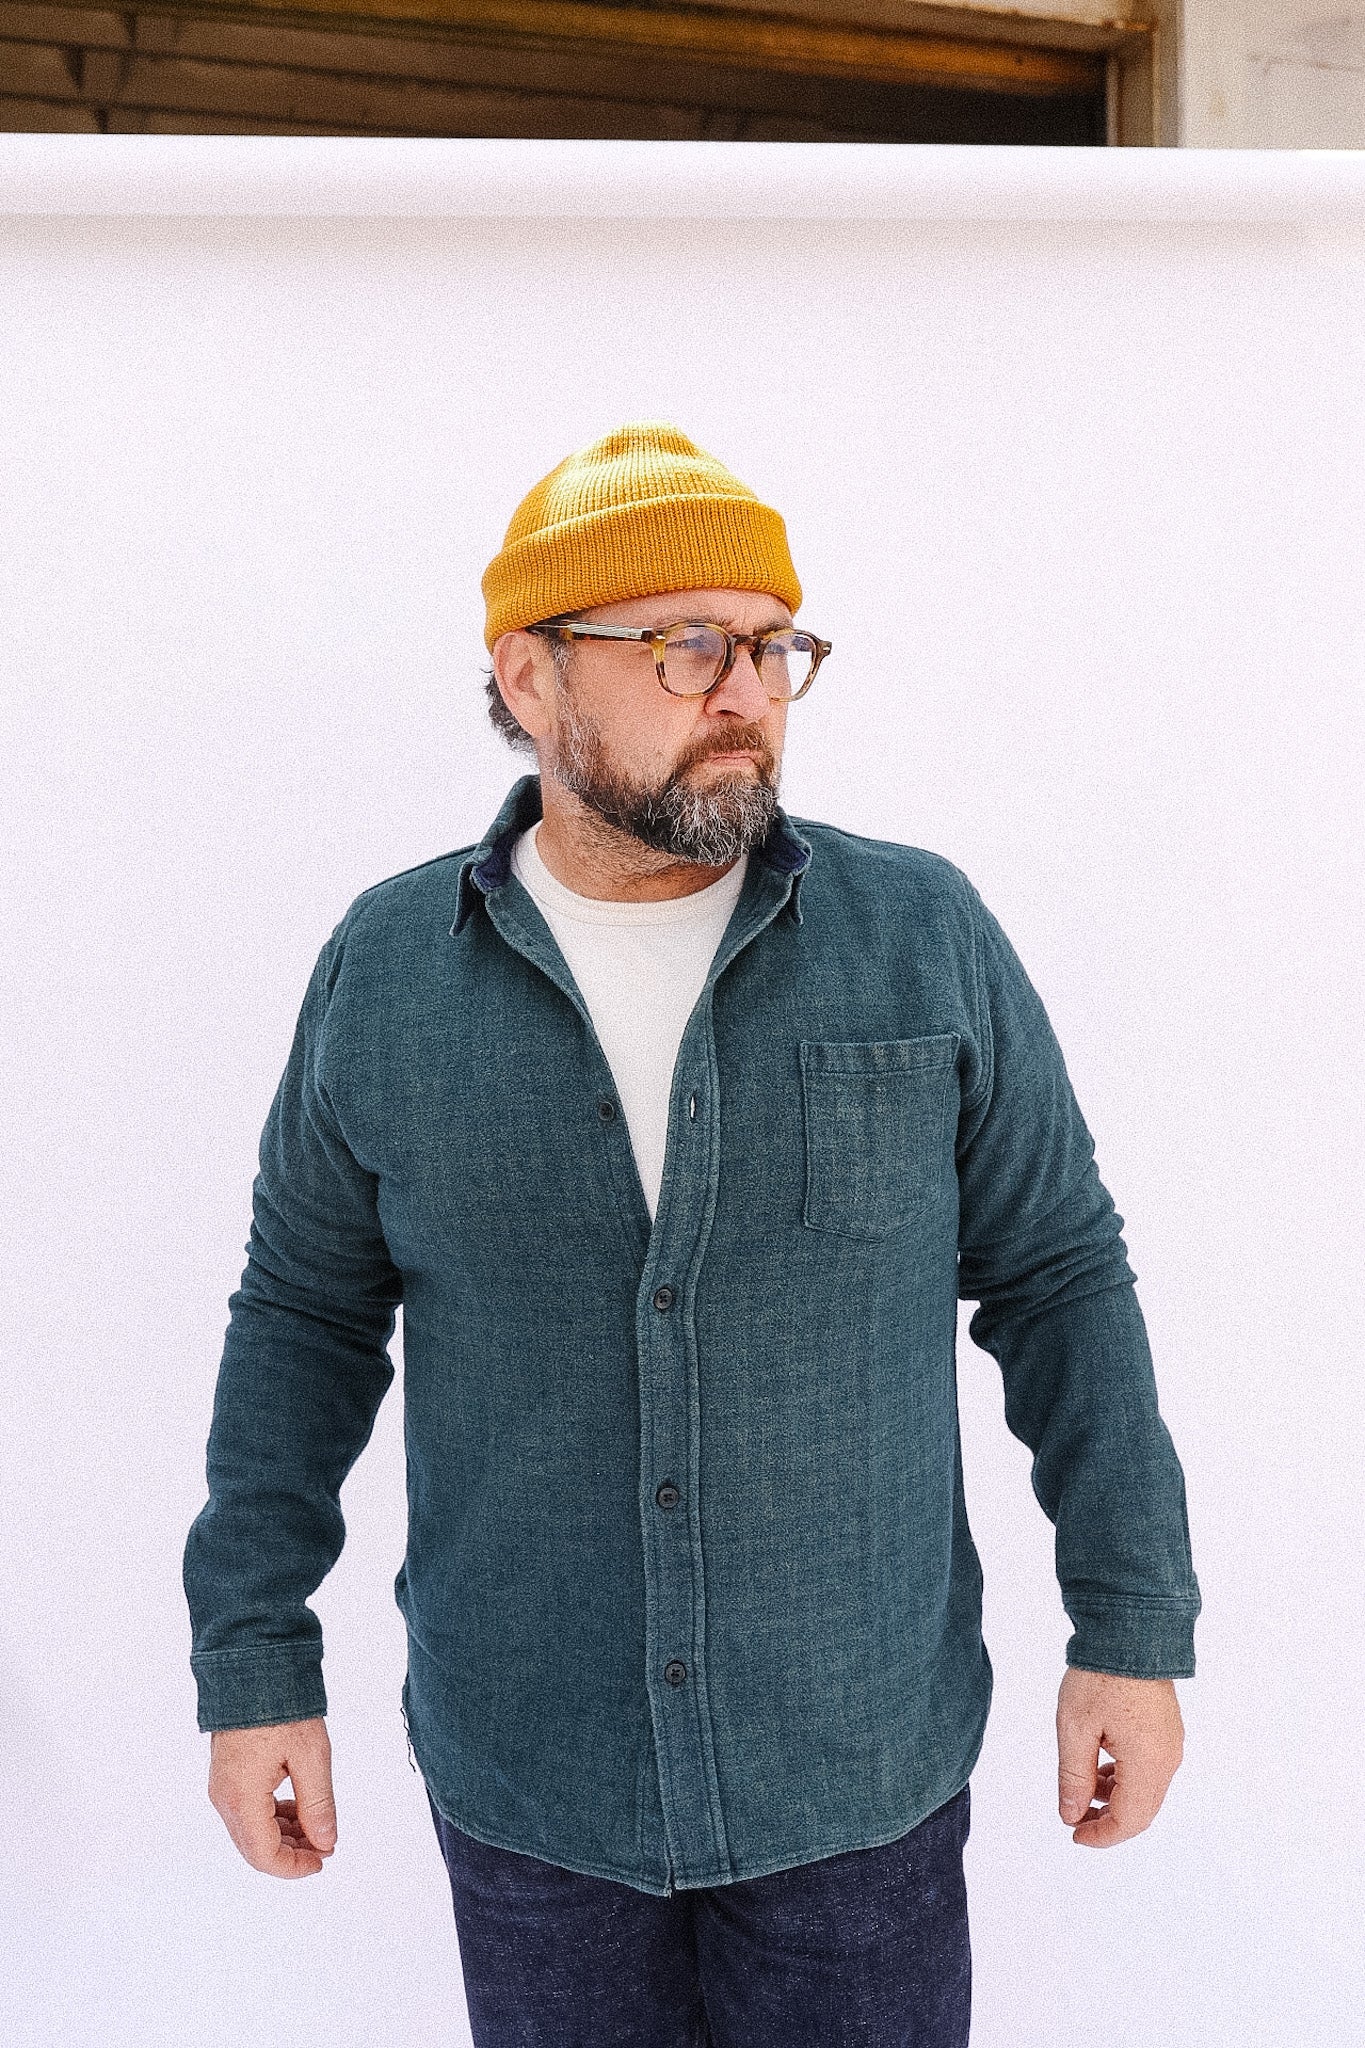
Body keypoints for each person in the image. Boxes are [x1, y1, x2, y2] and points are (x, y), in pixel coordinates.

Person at [184, 421, 1200, 2047]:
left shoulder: (918, 936)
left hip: (854, 1779)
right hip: (533, 1790)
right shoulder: (385, 969)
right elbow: (300, 1317)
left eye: (773, 645)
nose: (745, 691)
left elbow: (1059, 1278)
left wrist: (1130, 1631)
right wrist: (256, 1664)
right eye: (684, 646)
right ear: (530, 681)